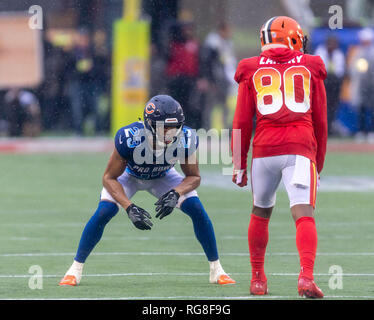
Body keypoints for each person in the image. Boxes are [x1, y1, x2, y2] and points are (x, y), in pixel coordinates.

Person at [59, 95, 235, 286]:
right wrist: (129, 207)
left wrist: (176, 192)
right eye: (164, 128)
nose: (170, 133)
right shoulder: (129, 138)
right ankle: (75, 269)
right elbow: (109, 178)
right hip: (130, 176)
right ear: (150, 125)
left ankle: (217, 270)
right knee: (104, 211)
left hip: (163, 176)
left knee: (196, 209)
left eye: (175, 127)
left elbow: (194, 176)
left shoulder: (186, 138)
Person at [231, 16, 327, 298]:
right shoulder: (310, 66)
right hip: (299, 148)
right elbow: (320, 121)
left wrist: (238, 163)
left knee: (260, 213)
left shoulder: (250, 68)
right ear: (292, 38)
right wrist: (317, 162)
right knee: (303, 216)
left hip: (264, 150)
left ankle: (258, 279)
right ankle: (306, 278)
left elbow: (240, 122)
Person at [199, 22, 237, 129]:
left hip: (224, 80)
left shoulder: (227, 43)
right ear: (222, 30)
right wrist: (209, 80)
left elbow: (228, 62)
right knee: (211, 106)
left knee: (224, 106)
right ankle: (208, 128)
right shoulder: (212, 44)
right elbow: (207, 63)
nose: (230, 33)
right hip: (215, 80)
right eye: (228, 31)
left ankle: (224, 129)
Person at [314, 36, 345, 136]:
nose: (332, 46)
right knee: (322, 106)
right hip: (323, 82)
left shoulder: (338, 54)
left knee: (333, 106)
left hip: (334, 83)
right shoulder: (320, 52)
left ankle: (330, 127)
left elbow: (340, 71)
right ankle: (322, 129)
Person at [348, 27, 374, 143]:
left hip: (372, 84)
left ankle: (371, 131)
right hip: (361, 85)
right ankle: (361, 131)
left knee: (372, 108)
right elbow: (352, 69)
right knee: (361, 109)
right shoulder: (358, 52)